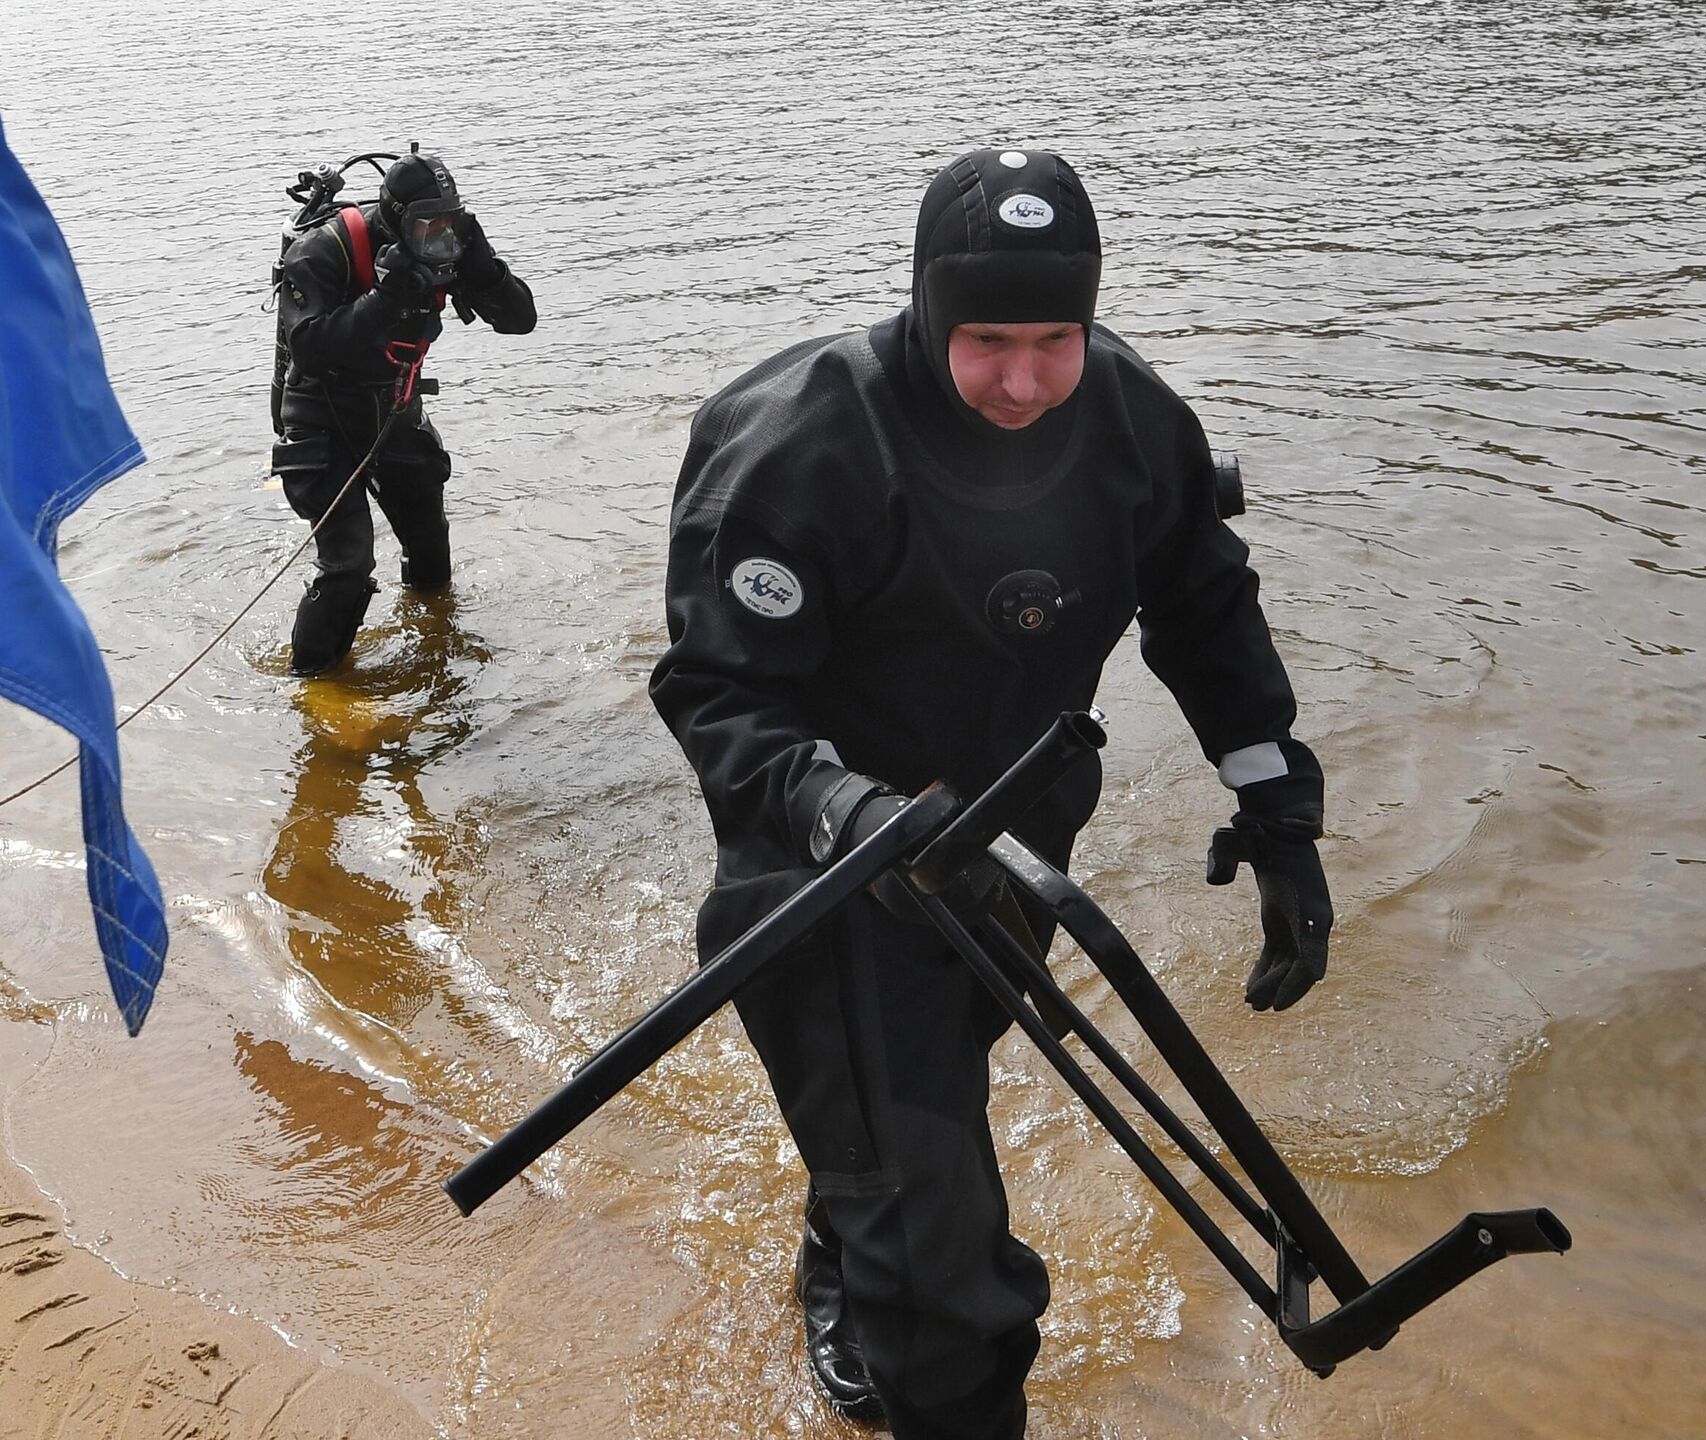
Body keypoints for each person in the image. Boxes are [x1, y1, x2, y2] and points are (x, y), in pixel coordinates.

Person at [648, 148, 1333, 1438]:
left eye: (1056, 338)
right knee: (950, 1286)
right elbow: (716, 694)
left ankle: (850, 1245)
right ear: (925, 308)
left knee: (918, 1131)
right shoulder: (805, 444)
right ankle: (915, 1322)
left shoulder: (1132, 422)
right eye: (988, 340)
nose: (1025, 381)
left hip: (1016, 847)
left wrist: (1277, 811)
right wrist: (845, 808)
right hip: (828, 877)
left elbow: (1205, 609)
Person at [271, 147, 536, 676]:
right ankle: (312, 682)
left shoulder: (448, 247)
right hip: (319, 412)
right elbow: (310, 347)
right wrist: (384, 299)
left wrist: (486, 273)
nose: (438, 237)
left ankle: (434, 641)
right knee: (348, 566)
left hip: (394, 403)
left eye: (449, 223)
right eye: (426, 226)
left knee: (430, 543)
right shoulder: (324, 252)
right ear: (396, 219)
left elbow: (520, 321)